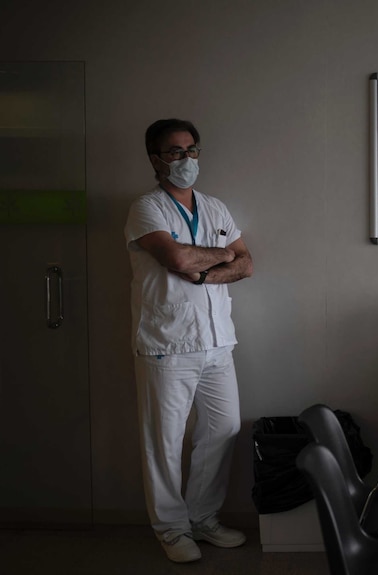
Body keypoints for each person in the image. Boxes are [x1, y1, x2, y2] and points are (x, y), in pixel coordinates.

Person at [125, 119, 254, 563]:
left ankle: (203, 517)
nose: (185, 159)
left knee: (223, 428)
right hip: (166, 343)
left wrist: (201, 268)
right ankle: (171, 528)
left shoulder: (216, 208)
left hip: (218, 342)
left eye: (191, 149)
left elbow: (248, 263)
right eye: (175, 151)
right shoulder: (146, 208)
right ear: (155, 159)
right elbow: (176, 256)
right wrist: (220, 257)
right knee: (163, 440)